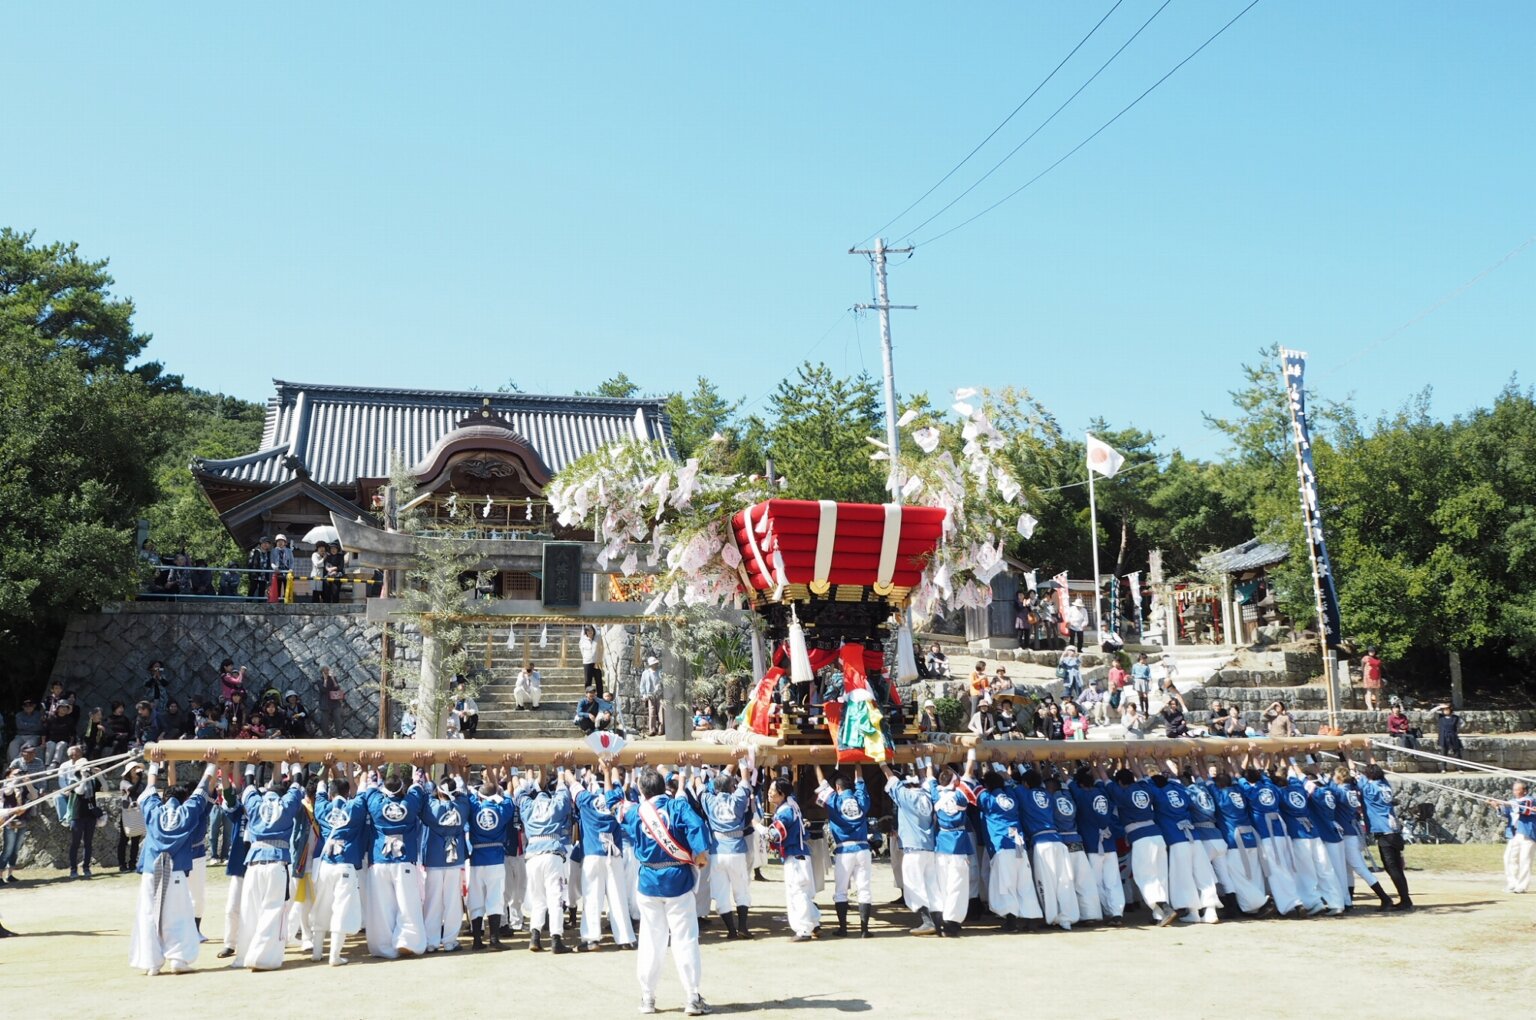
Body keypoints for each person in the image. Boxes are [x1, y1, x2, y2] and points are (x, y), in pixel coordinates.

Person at [617, 765, 711, 1016]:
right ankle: (692, 997)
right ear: (663, 787)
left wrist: (610, 772)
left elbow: (616, 807)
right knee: (685, 939)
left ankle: (647, 997)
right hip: (677, 880)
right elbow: (697, 825)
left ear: (642, 791)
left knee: (650, 940)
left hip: (648, 881)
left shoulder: (637, 811)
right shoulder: (676, 806)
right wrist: (700, 853)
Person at [127, 753, 217, 976]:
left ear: (163, 798)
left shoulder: (154, 809)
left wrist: (154, 763)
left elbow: (149, 787)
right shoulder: (188, 810)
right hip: (175, 872)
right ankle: (178, 959)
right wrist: (212, 764)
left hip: (151, 871)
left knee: (148, 915)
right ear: (184, 798)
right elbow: (202, 789)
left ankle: (151, 963)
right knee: (179, 916)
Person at [232, 761, 308, 971]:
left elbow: (248, 784)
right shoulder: (286, 804)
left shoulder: (256, 803)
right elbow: (297, 783)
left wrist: (250, 762)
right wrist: (295, 763)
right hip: (276, 863)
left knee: (249, 911)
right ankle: (263, 958)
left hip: (254, 863)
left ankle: (243, 956)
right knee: (272, 910)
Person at [364, 762, 431, 957]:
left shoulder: (376, 803)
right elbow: (418, 785)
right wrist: (419, 765)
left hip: (380, 859)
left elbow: (370, 785)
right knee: (408, 903)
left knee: (381, 906)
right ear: (402, 789)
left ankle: (383, 946)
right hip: (404, 859)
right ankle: (407, 941)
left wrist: (371, 765)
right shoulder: (409, 803)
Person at [571, 765, 634, 951]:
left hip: (593, 853)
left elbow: (572, 782)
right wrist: (609, 767)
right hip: (613, 853)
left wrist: (564, 767)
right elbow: (616, 784)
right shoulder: (615, 798)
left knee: (592, 898)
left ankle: (591, 939)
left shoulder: (585, 799)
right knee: (618, 898)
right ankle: (625, 939)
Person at [514, 765, 575, 954]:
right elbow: (563, 791)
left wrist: (513, 771)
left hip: (533, 854)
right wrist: (561, 770)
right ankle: (556, 939)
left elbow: (517, 790)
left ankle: (535, 936)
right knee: (555, 897)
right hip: (552, 852)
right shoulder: (554, 804)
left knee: (538, 898)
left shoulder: (528, 805)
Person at [311, 765, 368, 965]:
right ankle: (334, 955)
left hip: (326, 865)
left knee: (322, 906)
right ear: (347, 793)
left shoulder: (323, 808)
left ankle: (317, 952)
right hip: (345, 864)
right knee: (342, 909)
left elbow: (319, 790)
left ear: (331, 793)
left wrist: (326, 767)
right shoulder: (355, 807)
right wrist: (365, 768)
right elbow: (363, 788)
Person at [977, 764, 1042, 932]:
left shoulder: (987, 798)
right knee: (1024, 882)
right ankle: (1031, 921)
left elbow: (974, 788)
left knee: (1006, 884)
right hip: (1018, 843)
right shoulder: (1012, 796)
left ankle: (1011, 923)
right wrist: (999, 768)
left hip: (1002, 844)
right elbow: (1009, 784)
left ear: (987, 786)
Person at [814, 765, 873, 938]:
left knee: (840, 890)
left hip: (844, 850)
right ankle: (864, 930)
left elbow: (822, 783)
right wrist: (858, 763)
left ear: (837, 787)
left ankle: (843, 929)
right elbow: (860, 781)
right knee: (864, 889)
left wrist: (816, 764)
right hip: (863, 848)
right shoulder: (860, 799)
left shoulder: (835, 800)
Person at [1347, 750, 1412, 909]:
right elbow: (1374, 766)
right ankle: (1405, 899)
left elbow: (1352, 770)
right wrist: (1367, 749)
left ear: (1368, 776)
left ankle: (1405, 900)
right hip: (1394, 830)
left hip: (1384, 832)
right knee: (1396, 868)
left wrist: (1346, 752)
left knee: (1392, 868)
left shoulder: (1369, 788)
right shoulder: (1384, 784)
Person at [699, 765, 754, 939]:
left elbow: (699, 786)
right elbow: (745, 781)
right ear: (731, 787)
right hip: (736, 850)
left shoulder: (709, 799)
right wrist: (743, 761)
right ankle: (743, 927)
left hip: (717, 851)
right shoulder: (737, 798)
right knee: (741, 890)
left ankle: (731, 930)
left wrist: (695, 768)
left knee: (721, 892)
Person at [766, 773, 820, 942]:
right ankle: (814, 922)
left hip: (795, 857)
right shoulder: (791, 803)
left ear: (782, 794)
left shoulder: (785, 811)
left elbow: (774, 835)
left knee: (797, 893)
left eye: (772, 790)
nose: (769, 792)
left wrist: (759, 828)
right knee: (802, 893)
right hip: (800, 855)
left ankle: (804, 930)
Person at [467, 774, 517, 950]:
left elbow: (467, 794)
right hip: (495, 858)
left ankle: (477, 940)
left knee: (476, 898)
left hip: (477, 858)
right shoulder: (502, 809)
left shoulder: (474, 807)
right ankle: (494, 939)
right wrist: (499, 793)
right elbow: (509, 798)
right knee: (495, 898)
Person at [421, 775, 470, 952]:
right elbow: (463, 792)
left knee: (432, 901)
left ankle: (431, 942)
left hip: (434, 858)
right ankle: (450, 941)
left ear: (439, 792)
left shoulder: (431, 806)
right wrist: (457, 777)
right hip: (454, 859)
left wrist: (427, 773)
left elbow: (426, 794)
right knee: (452, 901)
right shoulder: (462, 805)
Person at [1490, 781, 1535, 895]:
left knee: (1525, 860)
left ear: (1524, 791)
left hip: (1527, 833)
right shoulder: (1512, 802)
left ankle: (1522, 886)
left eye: (1517, 789)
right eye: (1514, 789)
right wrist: (1497, 806)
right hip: (1514, 834)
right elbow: (1505, 812)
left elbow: (1524, 809)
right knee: (1509, 858)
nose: (1514, 792)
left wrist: (1505, 803)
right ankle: (1512, 883)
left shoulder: (1530, 800)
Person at [66, 762, 103, 879]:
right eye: (83, 767)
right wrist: (83, 777)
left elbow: (105, 788)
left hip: (90, 815)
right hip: (77, 815)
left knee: (88, 843)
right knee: (75, 843)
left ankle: (86, 867)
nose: (86, 769)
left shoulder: (92, 781)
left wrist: (99, 775)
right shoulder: (73, 781)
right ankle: (73, 869)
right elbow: (80, 791)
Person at [639, 656, 663, 735]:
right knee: (652, 712)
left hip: (660, 694)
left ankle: (661, 729)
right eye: (654, 664)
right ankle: (652, 730)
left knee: (661, 712)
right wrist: (643, 694)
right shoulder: (646, 673)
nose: (655, 665)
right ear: (650, 665)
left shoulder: (661, 672)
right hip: (650, 695)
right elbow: (642, 684)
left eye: (656, 663)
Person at [579, 624, 603, 699]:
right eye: (588, 631)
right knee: (588, 681)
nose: (590, 632)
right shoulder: (583, 639)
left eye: (591, 630)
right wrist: (586, 657)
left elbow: (602, 648)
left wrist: (600, 659)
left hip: (597, 661)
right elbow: (582, 650)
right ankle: (588, 697)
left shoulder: (598, 638)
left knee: (598, 680)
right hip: (587, 662)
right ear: (586, 632)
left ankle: (600, 697)